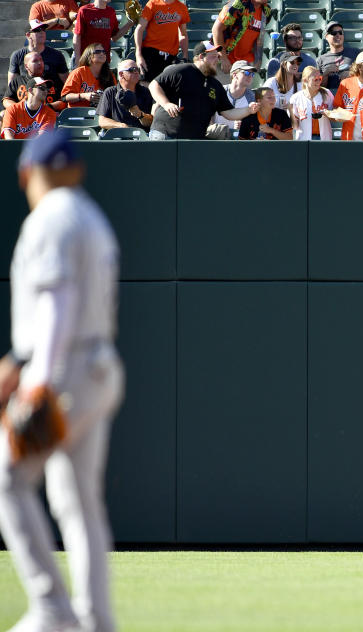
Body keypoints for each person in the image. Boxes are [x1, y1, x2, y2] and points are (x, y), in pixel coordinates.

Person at [0, 129, 124, 632]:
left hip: (66, 364)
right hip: (99, 363)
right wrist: (19, 361)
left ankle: (52, 609)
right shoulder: (91, 216)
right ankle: (96, 621)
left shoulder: (50, 218)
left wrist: (38, 380)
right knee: (78, 502)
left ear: (30, 172)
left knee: (6, 478)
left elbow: (56, 305)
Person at [148, 41, 261, 139]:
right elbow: (154, 85)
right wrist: (166, 104)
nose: (217, 60)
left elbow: (228, 112)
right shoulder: (181, 70)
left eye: (218, 56)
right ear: (201, 57)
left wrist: (248, 110)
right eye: (214, 56)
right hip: (165, 134)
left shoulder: (215, 85)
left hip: (194, 140)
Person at [134, 0, 191, 83]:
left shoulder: (181, 7)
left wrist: (185, 56)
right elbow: (139, 29)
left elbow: (183, 34)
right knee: (147, 86)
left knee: (168, 88)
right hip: (151, 53)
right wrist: (138, 54)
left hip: (171, 55)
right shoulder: (153, 4)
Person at [213, 0, 275, 74]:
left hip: (245, 64)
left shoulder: (266, 11)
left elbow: (258, 38)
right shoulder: (238, 5)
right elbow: (216, 29)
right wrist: (223, 58)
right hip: (226, 61)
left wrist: (256, 61)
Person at [8, 25, 69, 94]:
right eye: (37, 30)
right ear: (28, 35)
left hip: (50, 96)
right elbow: (11, 85)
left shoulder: (56, 55)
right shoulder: (17, 55)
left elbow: (66, 82)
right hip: (27, 95)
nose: (42, 32)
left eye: (43, 29)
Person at [97, 59, 154, 132]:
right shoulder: (110, 92)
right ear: (121, 74)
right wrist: (121, 126)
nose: (136, 72)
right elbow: (102, 121)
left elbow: (151, 122)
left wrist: (140, 115)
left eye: (138, 69)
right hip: (118, 136)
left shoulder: (146, 92)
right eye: (132, 69)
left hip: (141, 136)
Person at [73, 0, 134, 67]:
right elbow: (77, 36)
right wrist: (78, 58)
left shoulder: (111, 12)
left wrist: (130, 23)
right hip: (87, 59)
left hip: (103, 60)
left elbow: (114, 37)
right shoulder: (84, 10)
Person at [61, 43, 116, 108]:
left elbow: (114, 96)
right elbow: (65, 97)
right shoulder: (79, 72)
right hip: (78, 113)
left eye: (104, 52)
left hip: (100, 113)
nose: (102, 54)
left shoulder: (109, 75)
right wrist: (83, 96)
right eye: (97, 52)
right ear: (89, 55)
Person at [290, 65, 336, 140]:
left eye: (320, 79)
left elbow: (335, 117)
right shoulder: (296, 98)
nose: (318, 82)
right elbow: (294, 126)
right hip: (304, 139)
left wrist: (328, 114)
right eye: (315, 79)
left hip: (323, 138)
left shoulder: (327, 94)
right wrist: (290, 112)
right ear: (305, 81)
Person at [318, 22, 362, 95]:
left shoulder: (356, 53)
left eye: (340, 32)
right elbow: (318, 89)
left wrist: (352, 75)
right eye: (334, 33)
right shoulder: (321, 60)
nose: (338, 35)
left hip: (353, 95)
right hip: (330, 98)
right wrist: (325, 75)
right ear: (326, 37)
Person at [212, 60, 256, 131]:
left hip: (239, 140)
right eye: (247, 73)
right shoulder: (219, 91)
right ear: (235, 75)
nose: (250, 76)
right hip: (216, 138)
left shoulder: (252, 97)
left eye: (252, 74)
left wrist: (243, 126)